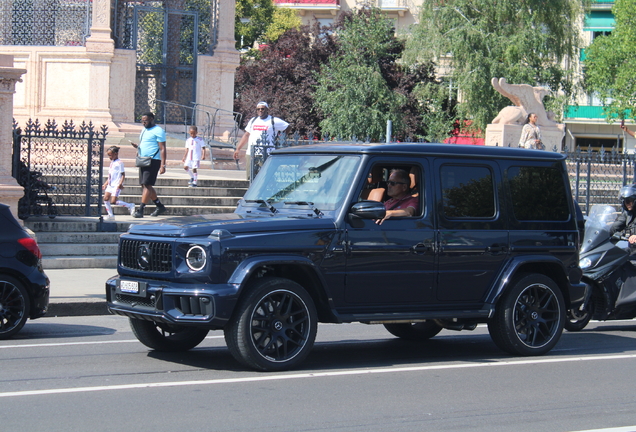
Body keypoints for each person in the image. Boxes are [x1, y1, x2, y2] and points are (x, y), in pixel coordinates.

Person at [233, 101, 289, 180]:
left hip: (267, 153)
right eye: (258, 109)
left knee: (265, 177)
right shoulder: (253, 120)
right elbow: (246, 135)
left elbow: (288, 127)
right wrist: (238, 149)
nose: (260, 110)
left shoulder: (273, 120)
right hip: (252, 153)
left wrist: (280, 137)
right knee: (250, 178)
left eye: (262, 109)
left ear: (267, 109)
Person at [129, 112, 167, 218]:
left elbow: (162, 148)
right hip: (143, 159)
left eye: (145, 120)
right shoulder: (144, 130)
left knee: (147, 185)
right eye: (142, 120)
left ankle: (141, 209)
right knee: (144, 184)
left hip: (153, 160)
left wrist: (163, 165)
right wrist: (138, 146)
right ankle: (159, 206)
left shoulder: (158, 131)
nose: (143, 122)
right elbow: (145, 143)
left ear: (151, 119)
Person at [102, 146, 136, 221]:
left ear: (115, 154)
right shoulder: (112, 163)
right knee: (105, 198)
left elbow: (123, 174)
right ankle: (110, 215)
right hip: (110, 185)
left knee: (114, 201)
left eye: (110, 155)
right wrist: (105, 184)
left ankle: (130, 205)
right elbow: (110, 175)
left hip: (116, 185)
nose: (109, 157)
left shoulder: (119, 163)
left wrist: (120, 184)